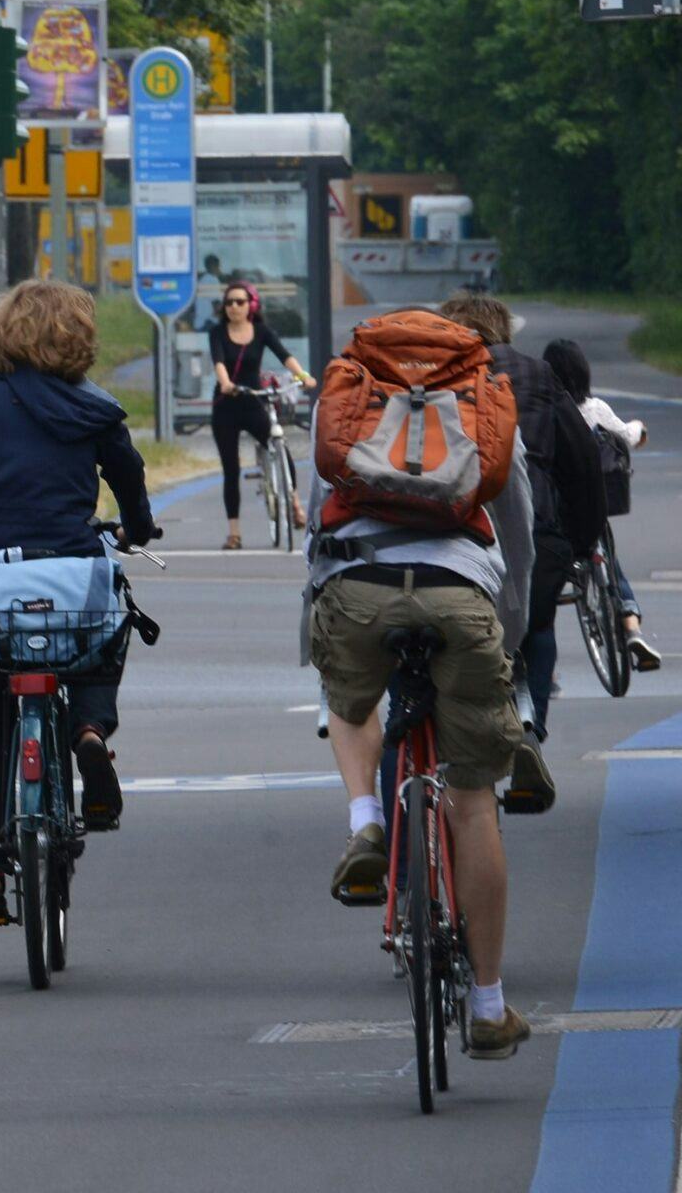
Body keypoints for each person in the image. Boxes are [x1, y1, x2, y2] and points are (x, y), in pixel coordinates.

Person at [305, 308, 550, 1060]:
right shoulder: (482, 397)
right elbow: (518, 532)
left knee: (348, 702)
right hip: (460, 593)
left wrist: (319, 622)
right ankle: (489, 1006)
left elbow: (318, 520)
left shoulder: (353, 390)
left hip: (359, 586)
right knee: (473, 801)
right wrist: (509, 633)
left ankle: (366, 821)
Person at [0, 280, 160, 922]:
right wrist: (136, 529)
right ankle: (89, 728)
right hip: (71, 571)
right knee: (99, 645)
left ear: (2, 332)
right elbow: (129, 476)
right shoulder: (97, 407)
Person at [437, 293, 605, 741]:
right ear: (502, 332)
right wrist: (580, 542)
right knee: (536, 625)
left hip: (440, 535)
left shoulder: (424, 374)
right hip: (535, 528)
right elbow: (583, 462)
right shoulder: (536, 373)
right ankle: (531, 727)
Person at [542, 339, 664, 672]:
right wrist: (640, 429)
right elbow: (627, 436)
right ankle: (631, 626)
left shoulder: (544, 410)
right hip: (594, 506)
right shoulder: (595, 409)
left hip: (555, 513)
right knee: (609, 560)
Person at [210, 282, 318, 548]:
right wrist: (226, 383)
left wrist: (302, 376)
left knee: (279, 445)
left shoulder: (261, 331)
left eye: (240, 302)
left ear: (251, 305)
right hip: (226, 405)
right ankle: (234, 533)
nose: (234, 307)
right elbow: (219, 361)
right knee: (231, 469)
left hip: (253, 402)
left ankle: (294, 504)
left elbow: (284, 356)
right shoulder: (217, 332)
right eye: (229, 302)